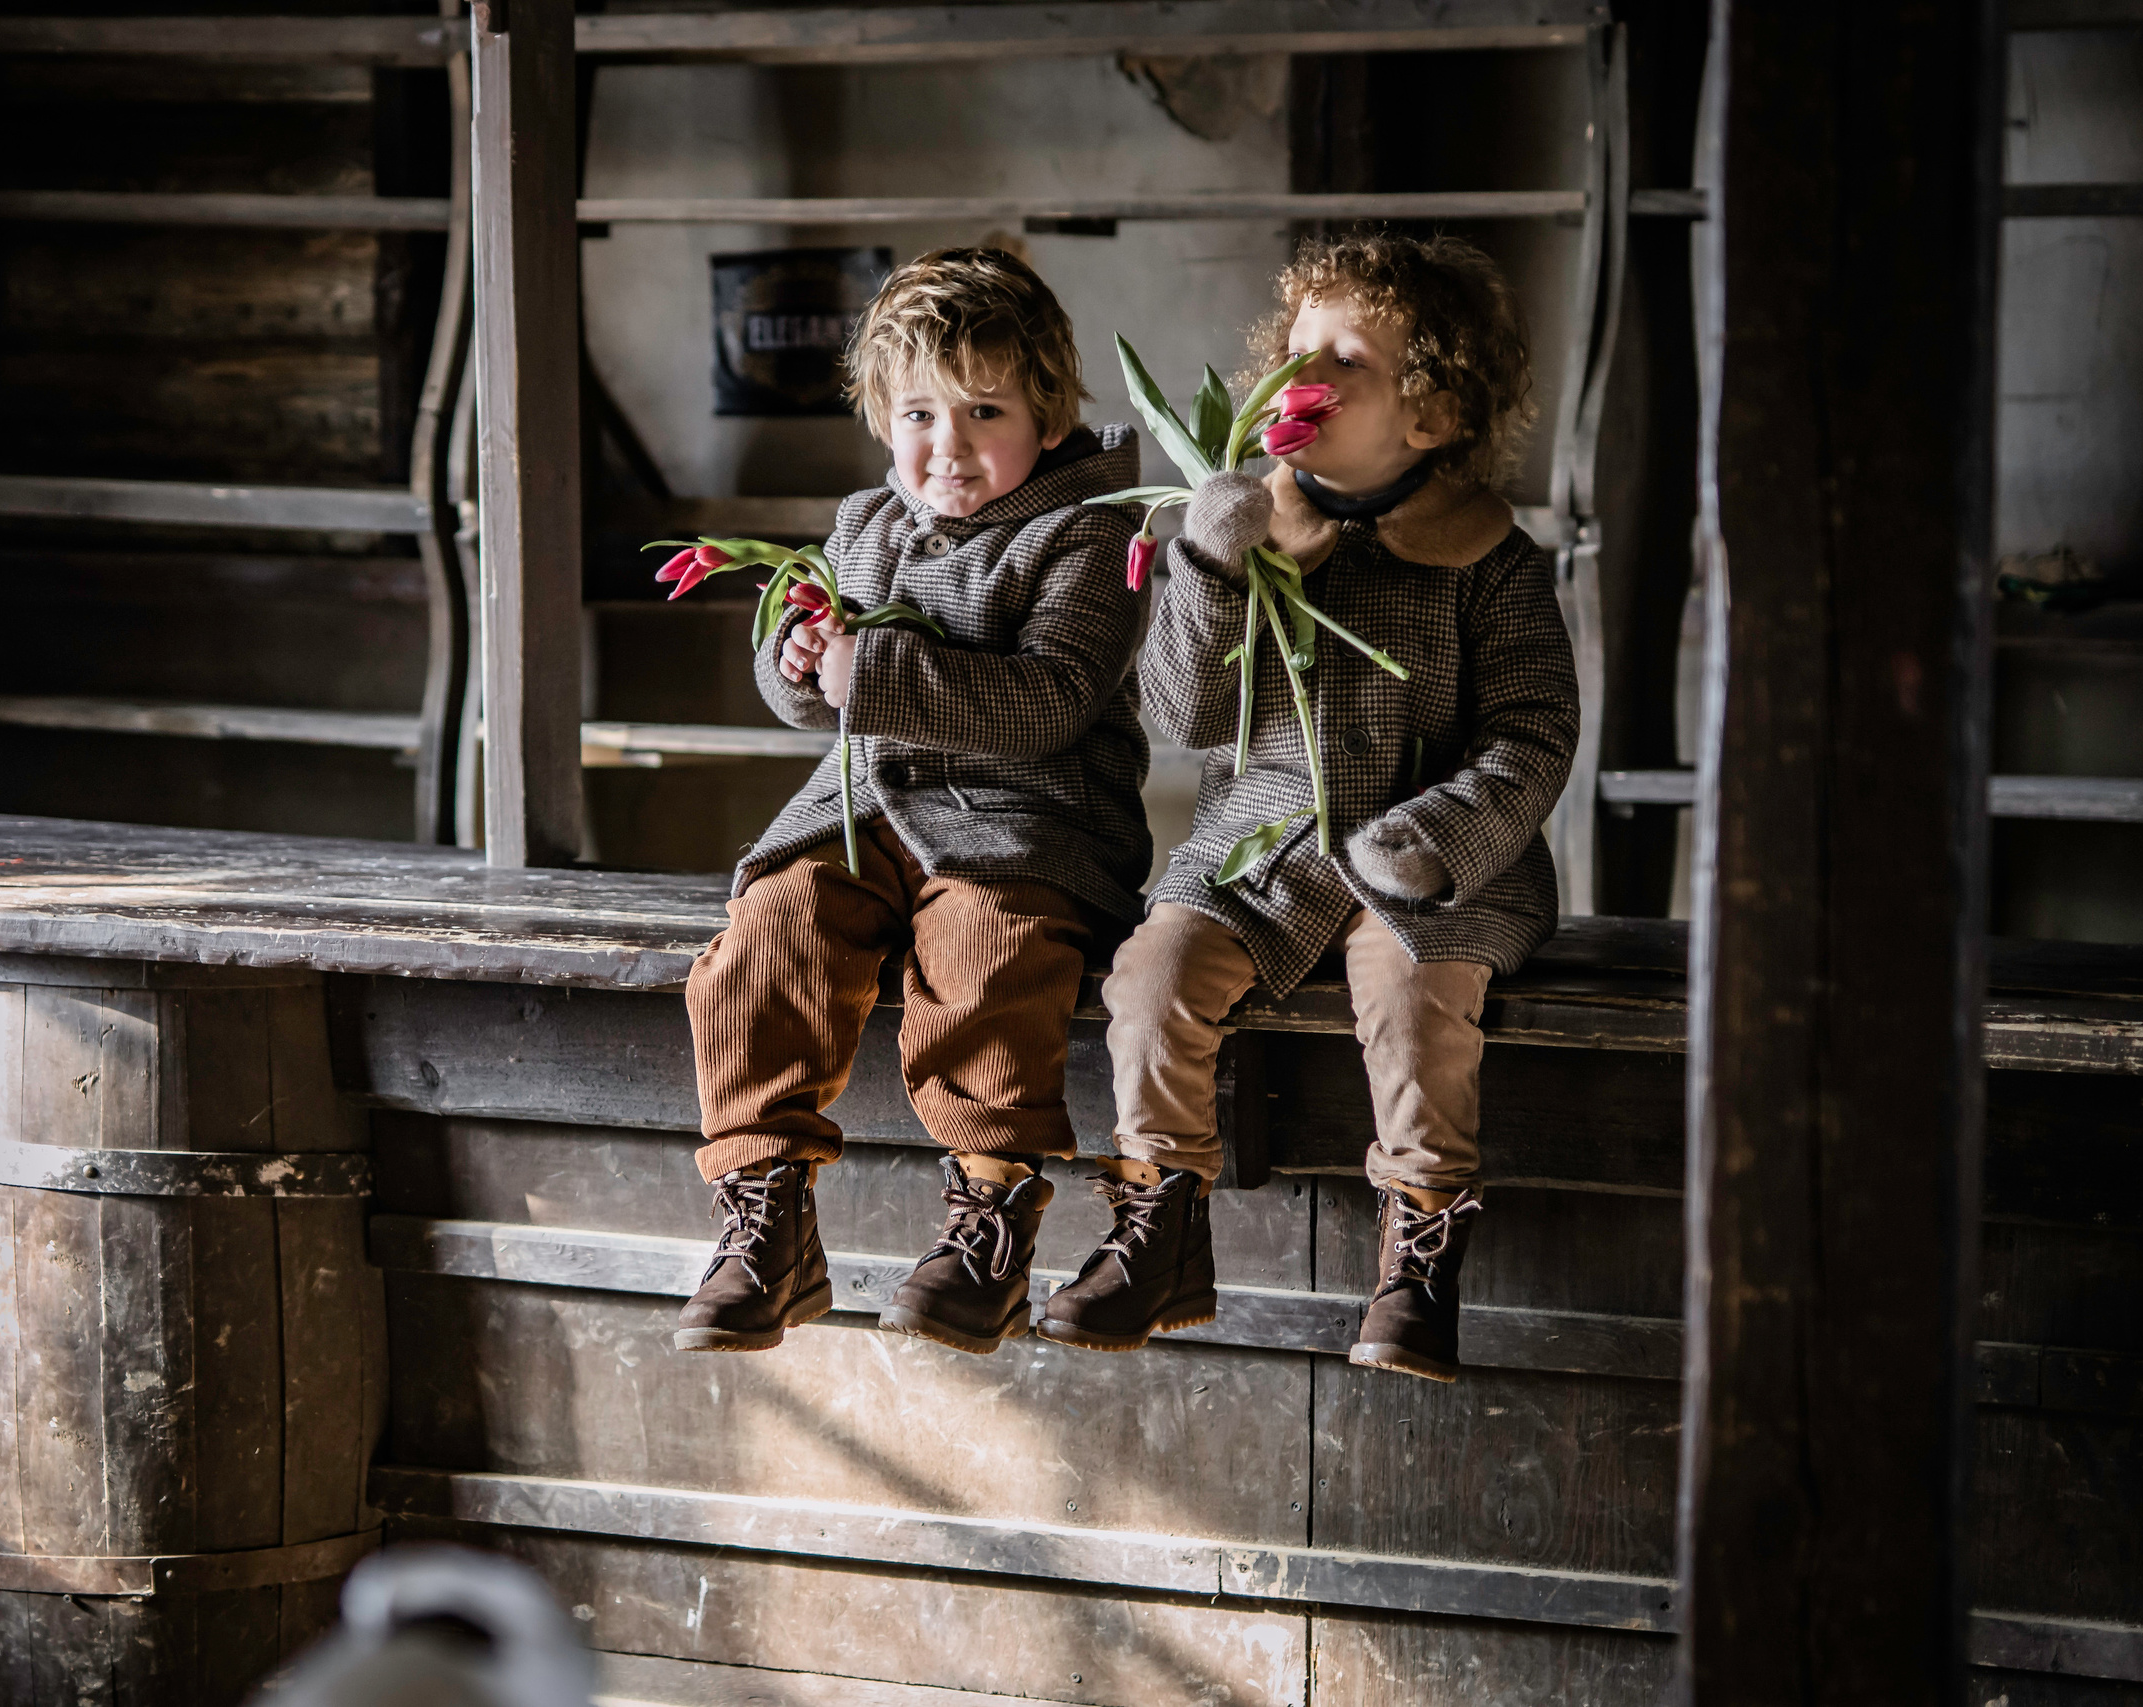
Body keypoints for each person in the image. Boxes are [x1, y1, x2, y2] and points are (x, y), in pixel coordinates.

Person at [1039, 232, 1579, 1382]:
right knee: (1152, 978)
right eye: (1293, 353)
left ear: (1429, 414)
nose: (1302, 379)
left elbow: (1532, 737)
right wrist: (1209, 567)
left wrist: (1437, 840)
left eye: (1348, 360)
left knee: (1418, 995)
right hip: (1265, 837)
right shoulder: (1248, 528)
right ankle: (1158, 1221)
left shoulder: (1492, 563)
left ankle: (1418, 1253)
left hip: (1432, 857)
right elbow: (1183, 712)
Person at [674, 246, 1153, 1357]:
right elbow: (822, 701)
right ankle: (766, 1214)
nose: (948, 446)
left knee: (991, 955)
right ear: (883, 418)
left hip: (1026, 821)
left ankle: (987, 1213)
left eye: (984, 410)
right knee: (768, 931)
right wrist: (798, 668)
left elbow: (1055, 698)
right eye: (919, 415)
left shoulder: (1089, 530)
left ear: (1047, 409)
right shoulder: (864, 524)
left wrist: (873, 676)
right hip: (862, 814)